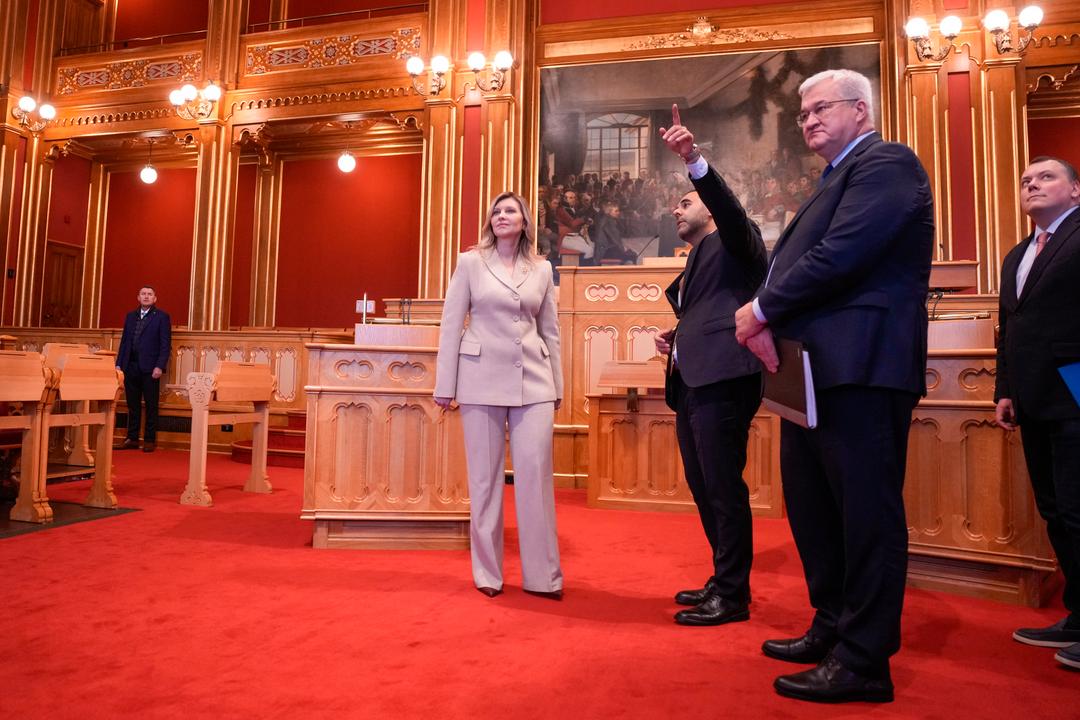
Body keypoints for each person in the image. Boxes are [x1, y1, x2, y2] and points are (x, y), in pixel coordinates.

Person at [733, 69, 934, 702]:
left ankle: (865, 661)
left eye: (822, 108)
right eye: (802, 113)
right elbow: (803, 262)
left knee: (865, 515)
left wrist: (761, 309)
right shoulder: (830, 181)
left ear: (861, 110)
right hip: (811, 373)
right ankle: (832, 625)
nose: (809, 120)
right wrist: (771, 317)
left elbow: (842, 253)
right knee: (816, 510)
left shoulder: (887, 163)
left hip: (861, 366)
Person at [654, 105, 767, 627]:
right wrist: (675, 340)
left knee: (723, 486)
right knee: (703, 484)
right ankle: (723, 579)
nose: (676, 211)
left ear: (710, 207)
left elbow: (728, 207)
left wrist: (693, 160)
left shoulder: (737, 240)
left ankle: (734, 594)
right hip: (692, 379)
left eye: (684, 202)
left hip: (725, 379)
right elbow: (710, 310)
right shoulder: (698, 254)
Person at [434, 192, 564, 599]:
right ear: (489, 221)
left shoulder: (541, 269)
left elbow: (551, 333)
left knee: (536, 480)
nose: (502, 215)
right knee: (486, 482)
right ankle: (488, 574)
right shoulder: (470, 263)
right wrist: (445, 385)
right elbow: (451, 325)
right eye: (496, 210)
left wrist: (558, 387)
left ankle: (543, 578)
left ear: (525, 221)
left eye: (511, 211)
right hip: (479, 379)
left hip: (535, 381)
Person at [995, 156, 1080, 670]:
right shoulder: (1017, 254)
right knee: (1055, 511)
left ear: (1075, 189)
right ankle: (1078, 613)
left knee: (1079, 509)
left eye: (1045, 176)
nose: (1031, 184)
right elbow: (1010, 328)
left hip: (1076, 392)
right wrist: (1006, 389)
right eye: (1025, 180)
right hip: (1033, 398)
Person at [116, 285, 172, 452]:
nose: (146, 297)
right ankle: (132, 438)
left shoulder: (162, 317)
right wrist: (119, 363)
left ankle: (149, 439)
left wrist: (159, 366)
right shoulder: (130, 316)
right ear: (138, 298)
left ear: (155, 299)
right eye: (143, 294)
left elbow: (165, 344)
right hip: (130, 366)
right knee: (132, 405)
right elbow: (125, 341)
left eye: (149, 294)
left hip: (151, 368)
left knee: (151, 404)